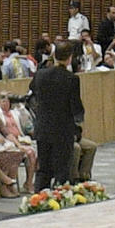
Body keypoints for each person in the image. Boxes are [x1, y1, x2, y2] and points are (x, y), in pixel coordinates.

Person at [29, 42, 84, 191]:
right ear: (70, 58)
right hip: (63, 129)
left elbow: (32, 89)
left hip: (43, 126)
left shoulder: (40, 74)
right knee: (62, 169)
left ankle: (39, 197)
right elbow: (76, 106)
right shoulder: (71, 79)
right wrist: (79, 121)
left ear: (54, 55)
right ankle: (60, 199)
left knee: (44, 168)